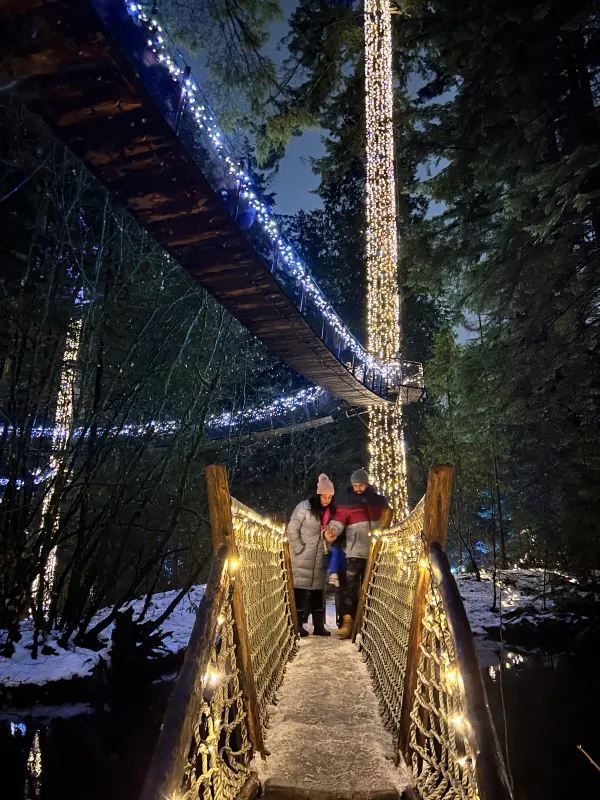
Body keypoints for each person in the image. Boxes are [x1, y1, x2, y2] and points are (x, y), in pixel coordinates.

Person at [325, 468, 393, 639]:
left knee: (372, 588)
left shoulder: (378, 502)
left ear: (367, 484)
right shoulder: (347, 504)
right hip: (354, 552)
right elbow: (337, 521)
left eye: (361, 485)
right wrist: (331, 531)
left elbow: (387, 519)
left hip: (375, 552)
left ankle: (370, 624)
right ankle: (348, 621)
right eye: (355, 485)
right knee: (350, 587)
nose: (358, 488)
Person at [287, 474, 336, 637]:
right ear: (318, 494)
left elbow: (330, 533)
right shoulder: (304, 507)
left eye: (330, 496)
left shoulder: (330, 513)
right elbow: (292, 528)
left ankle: (318, 626)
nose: (327, 499)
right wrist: (298, 548)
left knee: (317, 591)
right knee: (299, 590)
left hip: (319, 556)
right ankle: (297, 624)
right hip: (302, 556)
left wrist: (329, 541)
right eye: (324, 496)